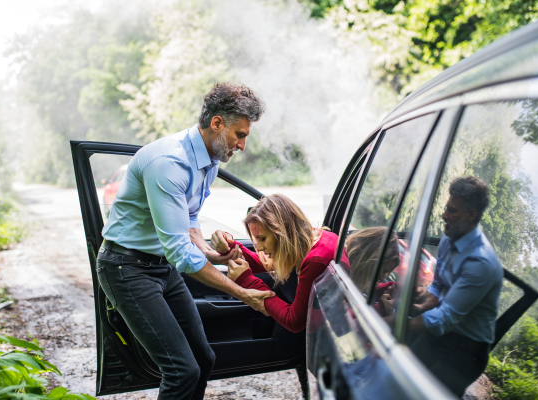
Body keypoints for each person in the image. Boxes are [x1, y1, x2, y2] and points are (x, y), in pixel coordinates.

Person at [95, 82, 275, 400]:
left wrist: (213, 255)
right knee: (181, 370)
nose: (243, 145)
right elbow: (179, 251)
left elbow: (188, 222)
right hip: (126, 268)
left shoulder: (210, 159)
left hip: (161, 264)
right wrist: (242, 293)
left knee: (204, 360)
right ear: (217, 123)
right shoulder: (168, 163)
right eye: (241, 134)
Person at [408, 176, 503, 397]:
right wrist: (422, 304)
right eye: (446, 208)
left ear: (471, 215)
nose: (444, 215)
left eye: (452, 210)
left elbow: (444, 318)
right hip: (439, 335)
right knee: (399, 380)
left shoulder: (481, 263)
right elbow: (439, 285)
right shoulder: (448, 241)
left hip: (466, 352)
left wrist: (396, 323)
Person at [211, 194, 348, 333]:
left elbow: (294, 322)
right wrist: (229, 246)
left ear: (283, 232)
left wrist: (248, 281)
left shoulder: (315, 261)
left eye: (262, 239)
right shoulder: (311, 238)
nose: (258, 248)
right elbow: (264, 262)